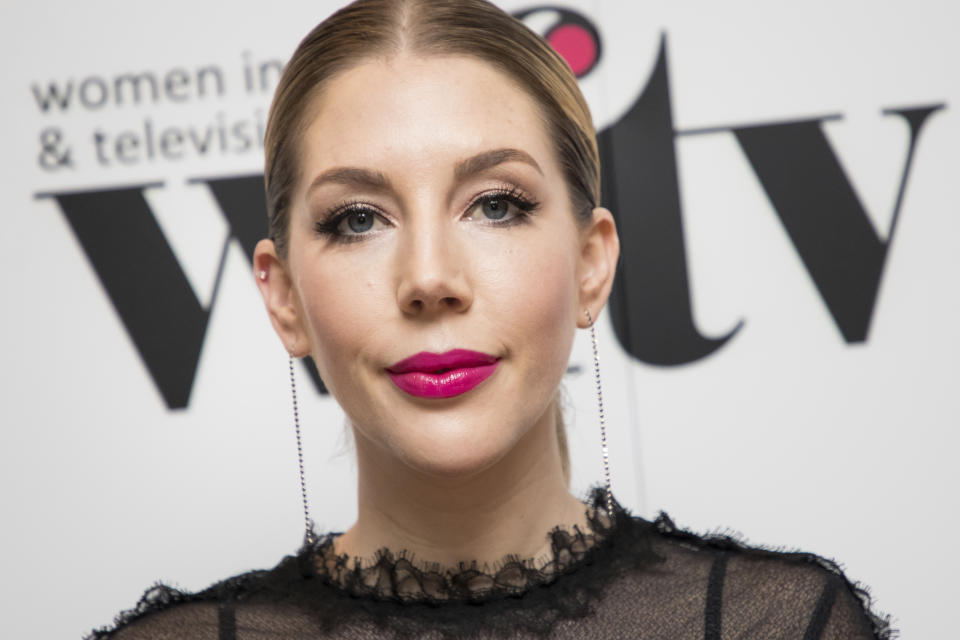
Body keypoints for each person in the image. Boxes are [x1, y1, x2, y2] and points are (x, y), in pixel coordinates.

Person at [88, 0, 892, 638]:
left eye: (496, 205)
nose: (431, 279)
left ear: (591, 263)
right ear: (283, 296)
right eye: (359, 219)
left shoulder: (779, 626)